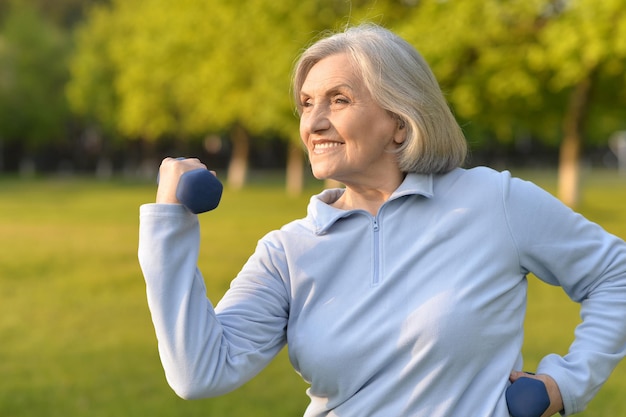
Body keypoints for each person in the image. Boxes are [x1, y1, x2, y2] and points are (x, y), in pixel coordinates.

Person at [138, 24, 626, 417]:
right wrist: (168, 225)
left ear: (400, 120)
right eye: (307, 104)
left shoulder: (492, 200)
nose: (313, 122)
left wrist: (566, 383)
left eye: (339, 99)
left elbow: (615, 274)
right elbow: (199, 374)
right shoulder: (287, 252)